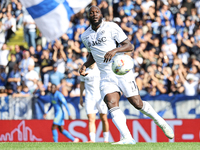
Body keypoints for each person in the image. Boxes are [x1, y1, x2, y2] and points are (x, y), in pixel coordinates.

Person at [79, 6, 174, 144]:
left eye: (96, 12)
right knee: (111, 103)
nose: (94, 14)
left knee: (137, 103)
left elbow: (129, 46)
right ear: (88, 16)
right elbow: (93, 55)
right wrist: (84, 65)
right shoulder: (85, 36)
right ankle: (127, 137)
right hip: (105, 75)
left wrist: (115, 50)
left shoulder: (111, 26)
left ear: (101, 15)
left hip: (121, 71)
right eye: (91, 13)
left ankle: (160, 121)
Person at [80, 63, 109, 143]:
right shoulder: (84, 70)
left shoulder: (100, 68)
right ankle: (92, 139)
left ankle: (106, 139)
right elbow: (82, 84)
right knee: (91, 119)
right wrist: (81, 97)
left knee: (104, 118)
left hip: (100, 97)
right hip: (89, 97)